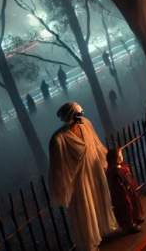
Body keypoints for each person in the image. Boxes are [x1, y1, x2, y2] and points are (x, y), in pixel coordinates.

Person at [49, 102, 117, 250]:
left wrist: (107, 161)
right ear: (70, 116)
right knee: (86, 209)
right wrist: (64, 188)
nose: (81, 117)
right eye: (77, 115)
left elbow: (96, 145)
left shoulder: (86, 125)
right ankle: (90, 242)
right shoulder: (59, 139)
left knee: (99, 201)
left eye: (81, 114)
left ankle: (102, 231)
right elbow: (59, 168)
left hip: (94, 172)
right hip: (79, 181)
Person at [106, 147, 144, 234]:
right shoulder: (114, 171)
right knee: (127, 208)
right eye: (119, 155)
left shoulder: (122, 166)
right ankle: (130, 224)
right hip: (123, 194)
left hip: (129, 190)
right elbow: (118, 184)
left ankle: (136, 217)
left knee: (134, 203)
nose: (121, 157)